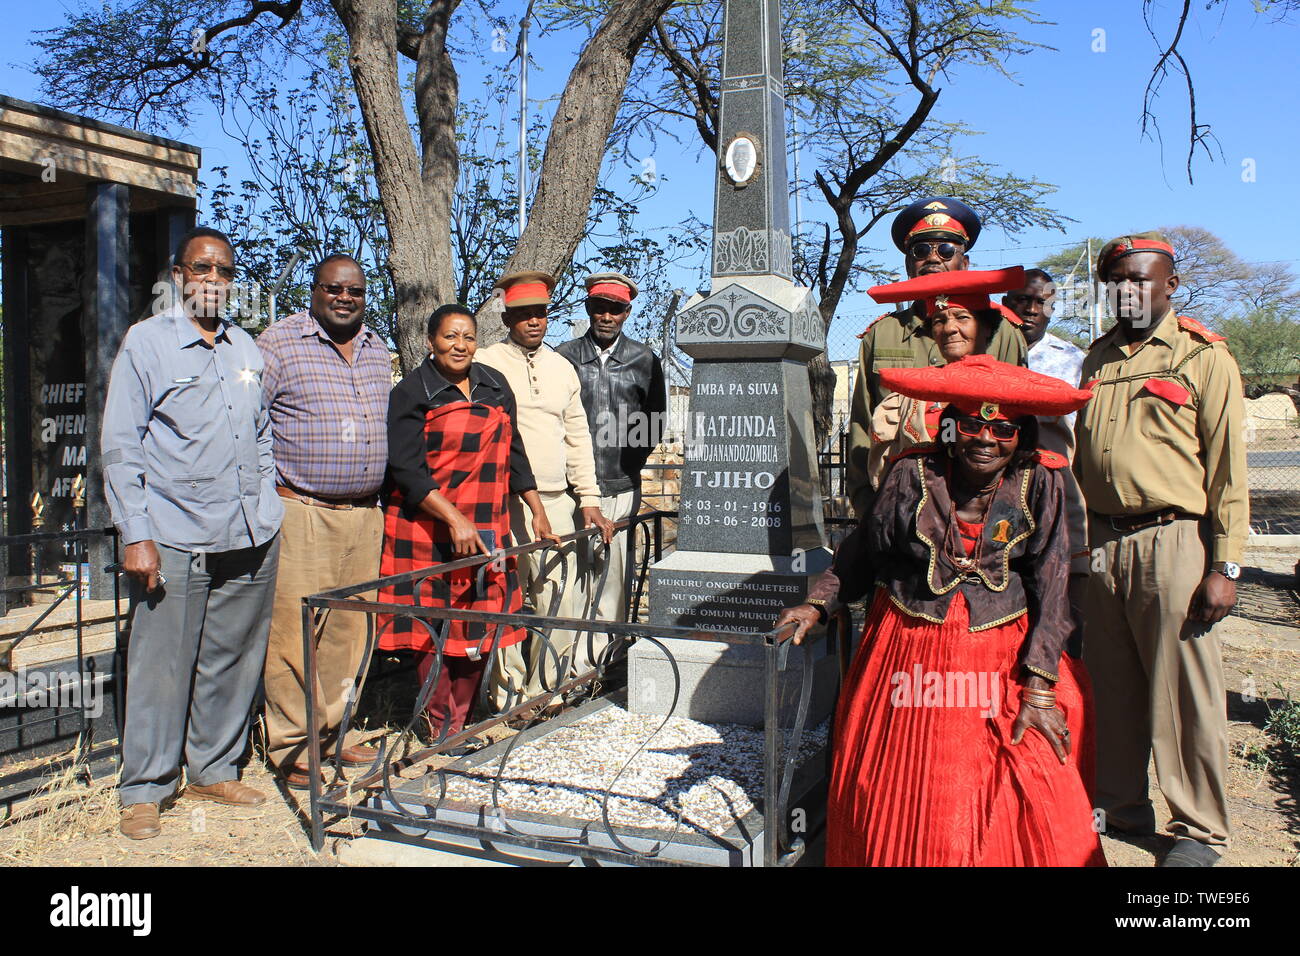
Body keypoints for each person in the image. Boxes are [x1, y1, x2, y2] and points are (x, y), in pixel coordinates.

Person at [775, 355, 1104, 867]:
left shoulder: (1043, 480)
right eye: (972, 425)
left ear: (1023, 434)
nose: (986, 440)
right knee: (899, 782)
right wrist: (818, 603)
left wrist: (1040, 687)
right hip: (907, 646)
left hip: (998, 651)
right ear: (951, 427)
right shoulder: (912, 471)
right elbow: (865, 551)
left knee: (1021, 771)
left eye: (1003, 429)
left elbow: (1053, 578)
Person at [1074, 232, 1249, 867]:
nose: (1128, 291)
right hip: (1103, 541)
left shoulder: (1202, 356)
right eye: (1116, 280)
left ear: (1170, 285)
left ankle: (1198, 830)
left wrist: (1224, 565)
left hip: (1176, 539)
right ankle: (1120, 808)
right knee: (1111, 685)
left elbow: (1229, 471)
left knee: (1182, 693)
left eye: (1141, 279)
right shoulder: (1097, 360)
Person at [102, 226, 283, 840]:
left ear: (232, 281)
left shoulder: (245, 349)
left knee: (231, 658)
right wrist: (136, 532)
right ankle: (147, 786)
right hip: (175, 531)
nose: (211, 279)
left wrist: (267, 495)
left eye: (222, 271)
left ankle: (213, 766)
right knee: (161, 661)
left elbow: (261, 432)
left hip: (250, 530)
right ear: (178, 275)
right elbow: (123, 446)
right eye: (200, 268)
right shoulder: (147, 344)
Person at [379, 304, 557, 749]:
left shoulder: (495, 386)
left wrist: (536, 509)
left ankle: (462, 717)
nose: (460, 346)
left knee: (479, 623)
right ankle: (440, 725)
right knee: (432, 628)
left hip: (485, 523)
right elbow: (406, 468)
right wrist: (453, 518)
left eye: (469, 337)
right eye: (450, 337)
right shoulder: (412, 392)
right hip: (425, 526)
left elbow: (514, 451)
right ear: (430, 342)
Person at [257, 253, 392, 789]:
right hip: (302, 511)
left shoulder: (378, 349)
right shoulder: (278, 342)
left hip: (364, 515)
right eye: (333, 289)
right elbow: (251, 422)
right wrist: (273, 494)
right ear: (314, 291)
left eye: (354, 291)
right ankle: (292, 745)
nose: (344, 298)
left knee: (348, 630)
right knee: (293, 633)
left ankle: (333, 735)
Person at [477, 272, 614, 711]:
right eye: (523, 314)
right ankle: (508, 696)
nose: (534, 322)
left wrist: (588, 498)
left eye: (540, 313)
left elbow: (578, 437)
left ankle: (548, 689)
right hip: (501, 500)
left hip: (556, 500)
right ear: (507, 317)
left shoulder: (561, 367)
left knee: (559, 594)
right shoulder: (484, 362)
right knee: (505, 597)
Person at [845, 196, 1028, 519]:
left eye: (945, 251)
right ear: (907, 263)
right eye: (920, 251)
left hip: (981, 506)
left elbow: (1023, 422)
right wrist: (864, 502)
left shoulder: (1002, 332)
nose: (932, 258)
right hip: (900, 503)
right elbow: (862, 423)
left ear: (965, 262)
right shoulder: (882, 335)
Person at [555, 272, 666, 643]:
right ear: (588, 309)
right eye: (599, 307)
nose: (606, 316)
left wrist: (628, 466)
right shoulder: (563, 357)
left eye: (615, 309)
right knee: (570, 579)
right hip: (570, 490)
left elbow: (654, 420)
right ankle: (566, 668)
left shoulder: (644, 360)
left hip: (620, 487)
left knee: (612, 579)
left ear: (627, 312)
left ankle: (601, 663)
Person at [860, 267, 1028, 491]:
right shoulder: (904, 400)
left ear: (987, 326)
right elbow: (886, 480)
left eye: (962, 317)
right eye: (939, 320)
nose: (949, 329)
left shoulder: (1020, 393)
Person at [1003, 268, 1091, 649]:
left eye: (1041, 302)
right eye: (1022, 299)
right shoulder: (986, 352)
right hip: (999, 497)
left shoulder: (1073, 361)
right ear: (1006, 304)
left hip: (1056, 495)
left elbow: (1084, 436)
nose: (1031, 309)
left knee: (1063, 605)